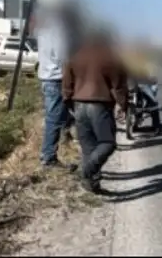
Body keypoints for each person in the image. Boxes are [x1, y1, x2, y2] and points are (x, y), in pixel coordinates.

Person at [62, 29, 129, 193]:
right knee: (107, 143)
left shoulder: (75, 54)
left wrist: (68, 101)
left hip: (78, 104)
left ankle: (92, 185)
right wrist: (123, 105)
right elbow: (118, 85)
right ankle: (86, 173)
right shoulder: (111, 57)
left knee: (88, 148)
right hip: (100, 105)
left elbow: (66, 82)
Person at [35, 10, 75, 171]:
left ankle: (53, 151)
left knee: (61, 117)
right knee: (54, 119)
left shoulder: (43, 29)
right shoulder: (56, 31)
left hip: (47, 76)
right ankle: (48, 157)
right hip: (56, 78)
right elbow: (62, 57)